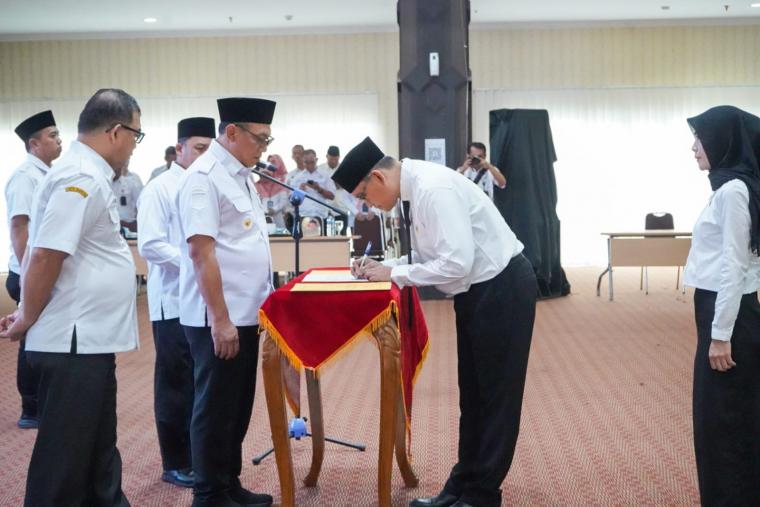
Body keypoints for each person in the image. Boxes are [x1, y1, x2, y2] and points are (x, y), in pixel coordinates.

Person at [335, 137, 536, 507]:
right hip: (476, 291)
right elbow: (434, 256)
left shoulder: (433, 189)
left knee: (495, 398)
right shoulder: (413, 190)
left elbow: (455, 262)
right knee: (473, 397)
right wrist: (387, 268)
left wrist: (397, 274)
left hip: (501, 287)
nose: (368, 205)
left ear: (377, 177)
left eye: (364, 196)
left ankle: (482, 494)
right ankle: (462, 484)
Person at [0, 88, 142, 506]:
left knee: (98, 449)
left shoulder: (90, 173)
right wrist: (26, 314)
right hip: (72, 340)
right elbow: (44, 254)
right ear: (116, 131)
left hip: (89, 339)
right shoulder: (80, 176)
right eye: (136, 134)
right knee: (64, 459)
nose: (135, 146)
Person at [176, 97, 276, 507]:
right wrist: (220, 319)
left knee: (235, 407)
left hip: (246, 313)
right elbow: (202, 253)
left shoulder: (239, 176)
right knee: (214, 408)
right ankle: (209, 493)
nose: (264, 148)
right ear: (231, 132)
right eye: (260, 139)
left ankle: (228, 484)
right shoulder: (204, 177)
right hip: (218, 318)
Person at [684, 105, 760, 506]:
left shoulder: (733, 191)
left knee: (724, 423)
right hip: (723, 312)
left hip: (726, 316)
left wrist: (720, 335)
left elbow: (735, 266)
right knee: (724, 419)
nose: (694, 148)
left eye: (700, 138)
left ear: (723, 142)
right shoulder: (731, 186)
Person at [137, 117, 216, 489]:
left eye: (209, 149)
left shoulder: (206, 184)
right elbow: (150, 244)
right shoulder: (159, 189)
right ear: (179, 148)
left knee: (201, 384)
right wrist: (193, 265)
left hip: (202, 302)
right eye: (199, 148)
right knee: (175, 384)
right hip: (172, 301)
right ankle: (176, 462)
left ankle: (201, 458)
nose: (205, 155)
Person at [4, 110, 62, 429]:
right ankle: (31, 407)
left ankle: (44, 401)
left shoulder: (48, 174)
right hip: (27, 272)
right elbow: (19, 228)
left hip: (42, 270)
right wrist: (30, 275)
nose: (59, 140)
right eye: (52, 135)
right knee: (30, 337)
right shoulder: (25, 177)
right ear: (33, 143)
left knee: (41, 337)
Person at [286, 148, 335, 220]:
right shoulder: (297, 178)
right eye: (306, 162)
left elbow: (332, 196)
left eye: (312, 162)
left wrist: (319, 189)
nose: (309, 165)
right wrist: (299, 191)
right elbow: (292, 202)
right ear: (303, 161)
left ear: (316, 160)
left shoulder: (325, 175)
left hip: (321, 216)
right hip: (304, 217)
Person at [255, 154, 289, 229]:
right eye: (262, 175)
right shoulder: (256, 186)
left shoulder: (279, 184)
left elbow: (283, 202)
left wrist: (274, 209)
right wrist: (264, 210)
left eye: (266, 175)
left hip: (278, 219)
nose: (263, 177)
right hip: (262, 219)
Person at [111, 162, 143, 231]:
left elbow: (140, 203)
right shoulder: (104, 182)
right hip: (109, 225)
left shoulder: (130, 182)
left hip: (128, 225)